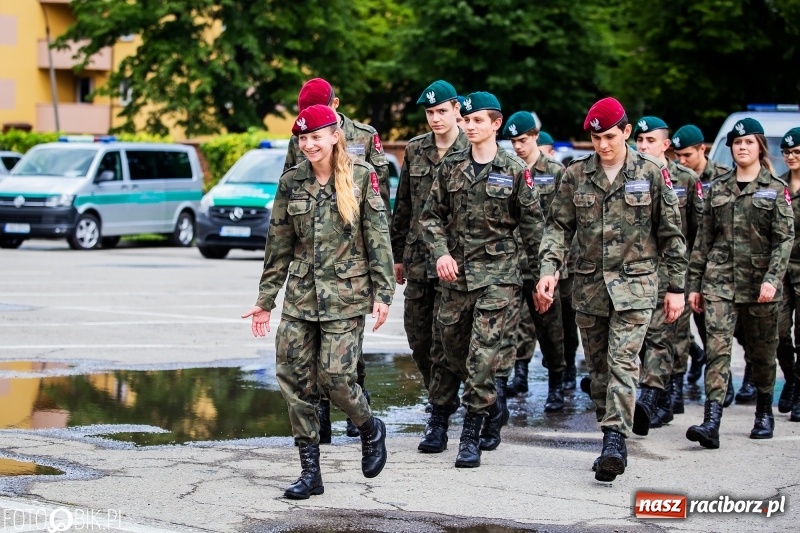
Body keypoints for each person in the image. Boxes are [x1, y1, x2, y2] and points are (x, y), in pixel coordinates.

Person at [242, 105, 394, 498]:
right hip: (300, 297)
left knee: (336, 379)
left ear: (334, 136)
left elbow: (377, 238)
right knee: (295, 381)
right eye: (303, 138)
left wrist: (384, 293)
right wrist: (265, 299)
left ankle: (369, 427)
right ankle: (310, 472)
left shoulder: (361, 176)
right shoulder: (291, 182)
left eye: (316, 137)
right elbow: (278, 245)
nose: (309, 144)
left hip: (346, 296)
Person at [537, 97, 686, 482]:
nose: (603, 145)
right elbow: (557, 227)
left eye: (610, 137)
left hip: (636, 287)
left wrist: (676, 287)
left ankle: (614, 441)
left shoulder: (651, 172)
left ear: (626, 131)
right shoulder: (576, 174)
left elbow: (671, 234)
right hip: (589, 289)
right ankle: (612, 432)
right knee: (600, 369)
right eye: (596, 138)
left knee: (622, 362)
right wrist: (549, 269)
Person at [420, 91, 545, 467]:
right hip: (455, 278)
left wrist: (543, 277)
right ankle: (460, 416)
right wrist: (440, 252)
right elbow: (430, 217)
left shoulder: (514, 169)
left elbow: (533, 228)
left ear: (496, 124)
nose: (470, 126)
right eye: (467, 120)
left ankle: (470, 435)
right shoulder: (452, 165)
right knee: (449, 352)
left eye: (478, 120)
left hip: (499, 279)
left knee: (483, 357)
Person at [283, 78, 391, 438]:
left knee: (342, 365)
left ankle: (359, 415)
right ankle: (320, 424)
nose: (309, 142)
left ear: (336, 106)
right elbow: (292, 194)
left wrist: (382, 276)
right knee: (308, 362)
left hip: (349, 264)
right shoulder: (300, 142)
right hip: (312, 270)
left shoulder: (365, 137)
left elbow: (378, 200)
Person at [686, 118, 793, 448]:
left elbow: (784, 239)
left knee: (763, 353)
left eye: (748, 142)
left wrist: (773, 278)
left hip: (760, 285)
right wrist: (694, 284)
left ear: (760, 147)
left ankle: (764, 412)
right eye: (736, 142)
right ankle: (711, 421)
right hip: (720, 281)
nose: (741, 147)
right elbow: (703, 239)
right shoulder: (718, 188)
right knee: (717, 350)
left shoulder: (776, 189)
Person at [390, 80, 468, 454]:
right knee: (419, 339)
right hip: (419, 259)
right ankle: (443, 396)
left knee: (446, 341)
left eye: (441, 111)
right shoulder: (415, 149)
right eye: (430, 112)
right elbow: (404, 204)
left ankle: (439, 415)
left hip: (458, 262)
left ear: (456, 109)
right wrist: (397, 255)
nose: (435, 118)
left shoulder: (472, 148)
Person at [630, 116, 702, 432]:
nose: (644, 146)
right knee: (644, 337)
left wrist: (689, 278)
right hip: (639, 271)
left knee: (669, 337)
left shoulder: (685, 179)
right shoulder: (631, 175)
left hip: (673, 271)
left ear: (665, 145)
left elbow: (698, 233)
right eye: (640, 141)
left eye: (650, 141)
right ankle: (658, 398)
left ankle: (661, 399)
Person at [502, 111, 569, 412]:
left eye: (523, 140)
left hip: (544, 264)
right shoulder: (507, 169)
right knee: (510, 327)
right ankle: (516, 377)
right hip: (511, 263)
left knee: (550, 329)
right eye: (513, 141)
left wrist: (555, 266)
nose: (518, 146)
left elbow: (564, 222)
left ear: (535, 137)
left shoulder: (555, 171)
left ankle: (557, 384)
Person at [671, 124, 736, 401]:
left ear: (702, 149)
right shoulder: (673, 178)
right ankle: (679, 378)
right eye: (678, 156)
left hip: (714, 265)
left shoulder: (723, 176)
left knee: (711, 326)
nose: (682, 161)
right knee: (675, 326)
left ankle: (723, 380)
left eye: (687, 155)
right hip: (682, 263)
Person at [776, 127, 800, 421]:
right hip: (781, 271)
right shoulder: (778, 186)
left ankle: (799, 390)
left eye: (796, 152)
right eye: (786, 152)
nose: (790, 156)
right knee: (779, 334)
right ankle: (791, 378)